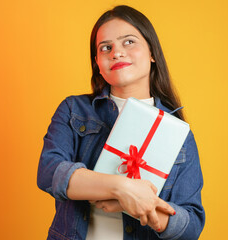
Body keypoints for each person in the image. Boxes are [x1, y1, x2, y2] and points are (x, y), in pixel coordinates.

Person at [37, 5, 205, 240]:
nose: (116, 52)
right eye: (106, 48)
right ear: (97, 61)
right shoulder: (74, 109)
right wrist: (122, 188)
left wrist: (142, 205)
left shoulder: (178, 133)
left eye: (128, 42)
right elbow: (49, 172)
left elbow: (191, 225)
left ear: (152, 52)